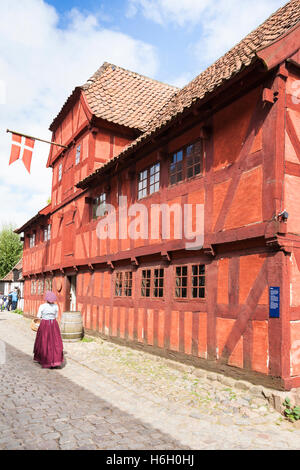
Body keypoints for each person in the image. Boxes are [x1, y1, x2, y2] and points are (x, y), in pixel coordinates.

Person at [33, 291, 64, 369]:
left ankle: (42, 358)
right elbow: (56, 316)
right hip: (53, 324)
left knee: (43, 340)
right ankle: (55, 360)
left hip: (44, 324)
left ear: (46, 298)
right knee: (55, 341)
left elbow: (38, 316)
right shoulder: (56, 306)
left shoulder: (42, 306)